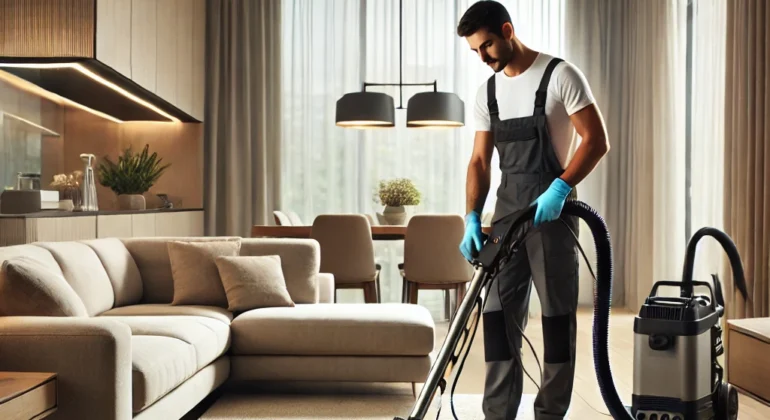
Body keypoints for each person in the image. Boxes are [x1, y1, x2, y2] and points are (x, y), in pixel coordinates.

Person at [455, 1, 610, 419]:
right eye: (475, 51)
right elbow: (479, 161)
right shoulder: (487, 92)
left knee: (557, 319)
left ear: (507, 31)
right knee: (496, 316)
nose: (482, 57)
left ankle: (549, 414)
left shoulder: (560, 74)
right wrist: (472, 217)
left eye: (486, 45)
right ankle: (498, 413)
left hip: (552, 214)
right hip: (506, 215)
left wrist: (561, 187)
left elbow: (596, 140)